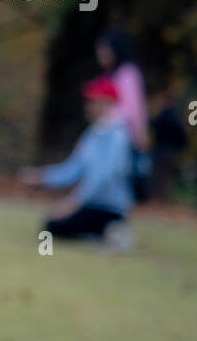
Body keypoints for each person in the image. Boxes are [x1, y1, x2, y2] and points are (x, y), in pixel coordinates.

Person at [19, 76, 134, 248]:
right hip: (89, 203)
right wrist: (42, 176)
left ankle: (109, 232)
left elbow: (103, 178)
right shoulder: (93, 134)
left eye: (92, 100)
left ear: (107, 102)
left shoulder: (117, 137)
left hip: (109, 207)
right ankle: (101, 235)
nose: (87, 106)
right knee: (52, 224)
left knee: (54, 226)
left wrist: (74, 202)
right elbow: (73, 168)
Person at [95, 28, 151, 200]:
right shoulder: (110, 75)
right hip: (108, 133)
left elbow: (132, 110)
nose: (100, 54)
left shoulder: (127, 73)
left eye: (104, 49)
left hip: (122, 135)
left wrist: (139, 136)